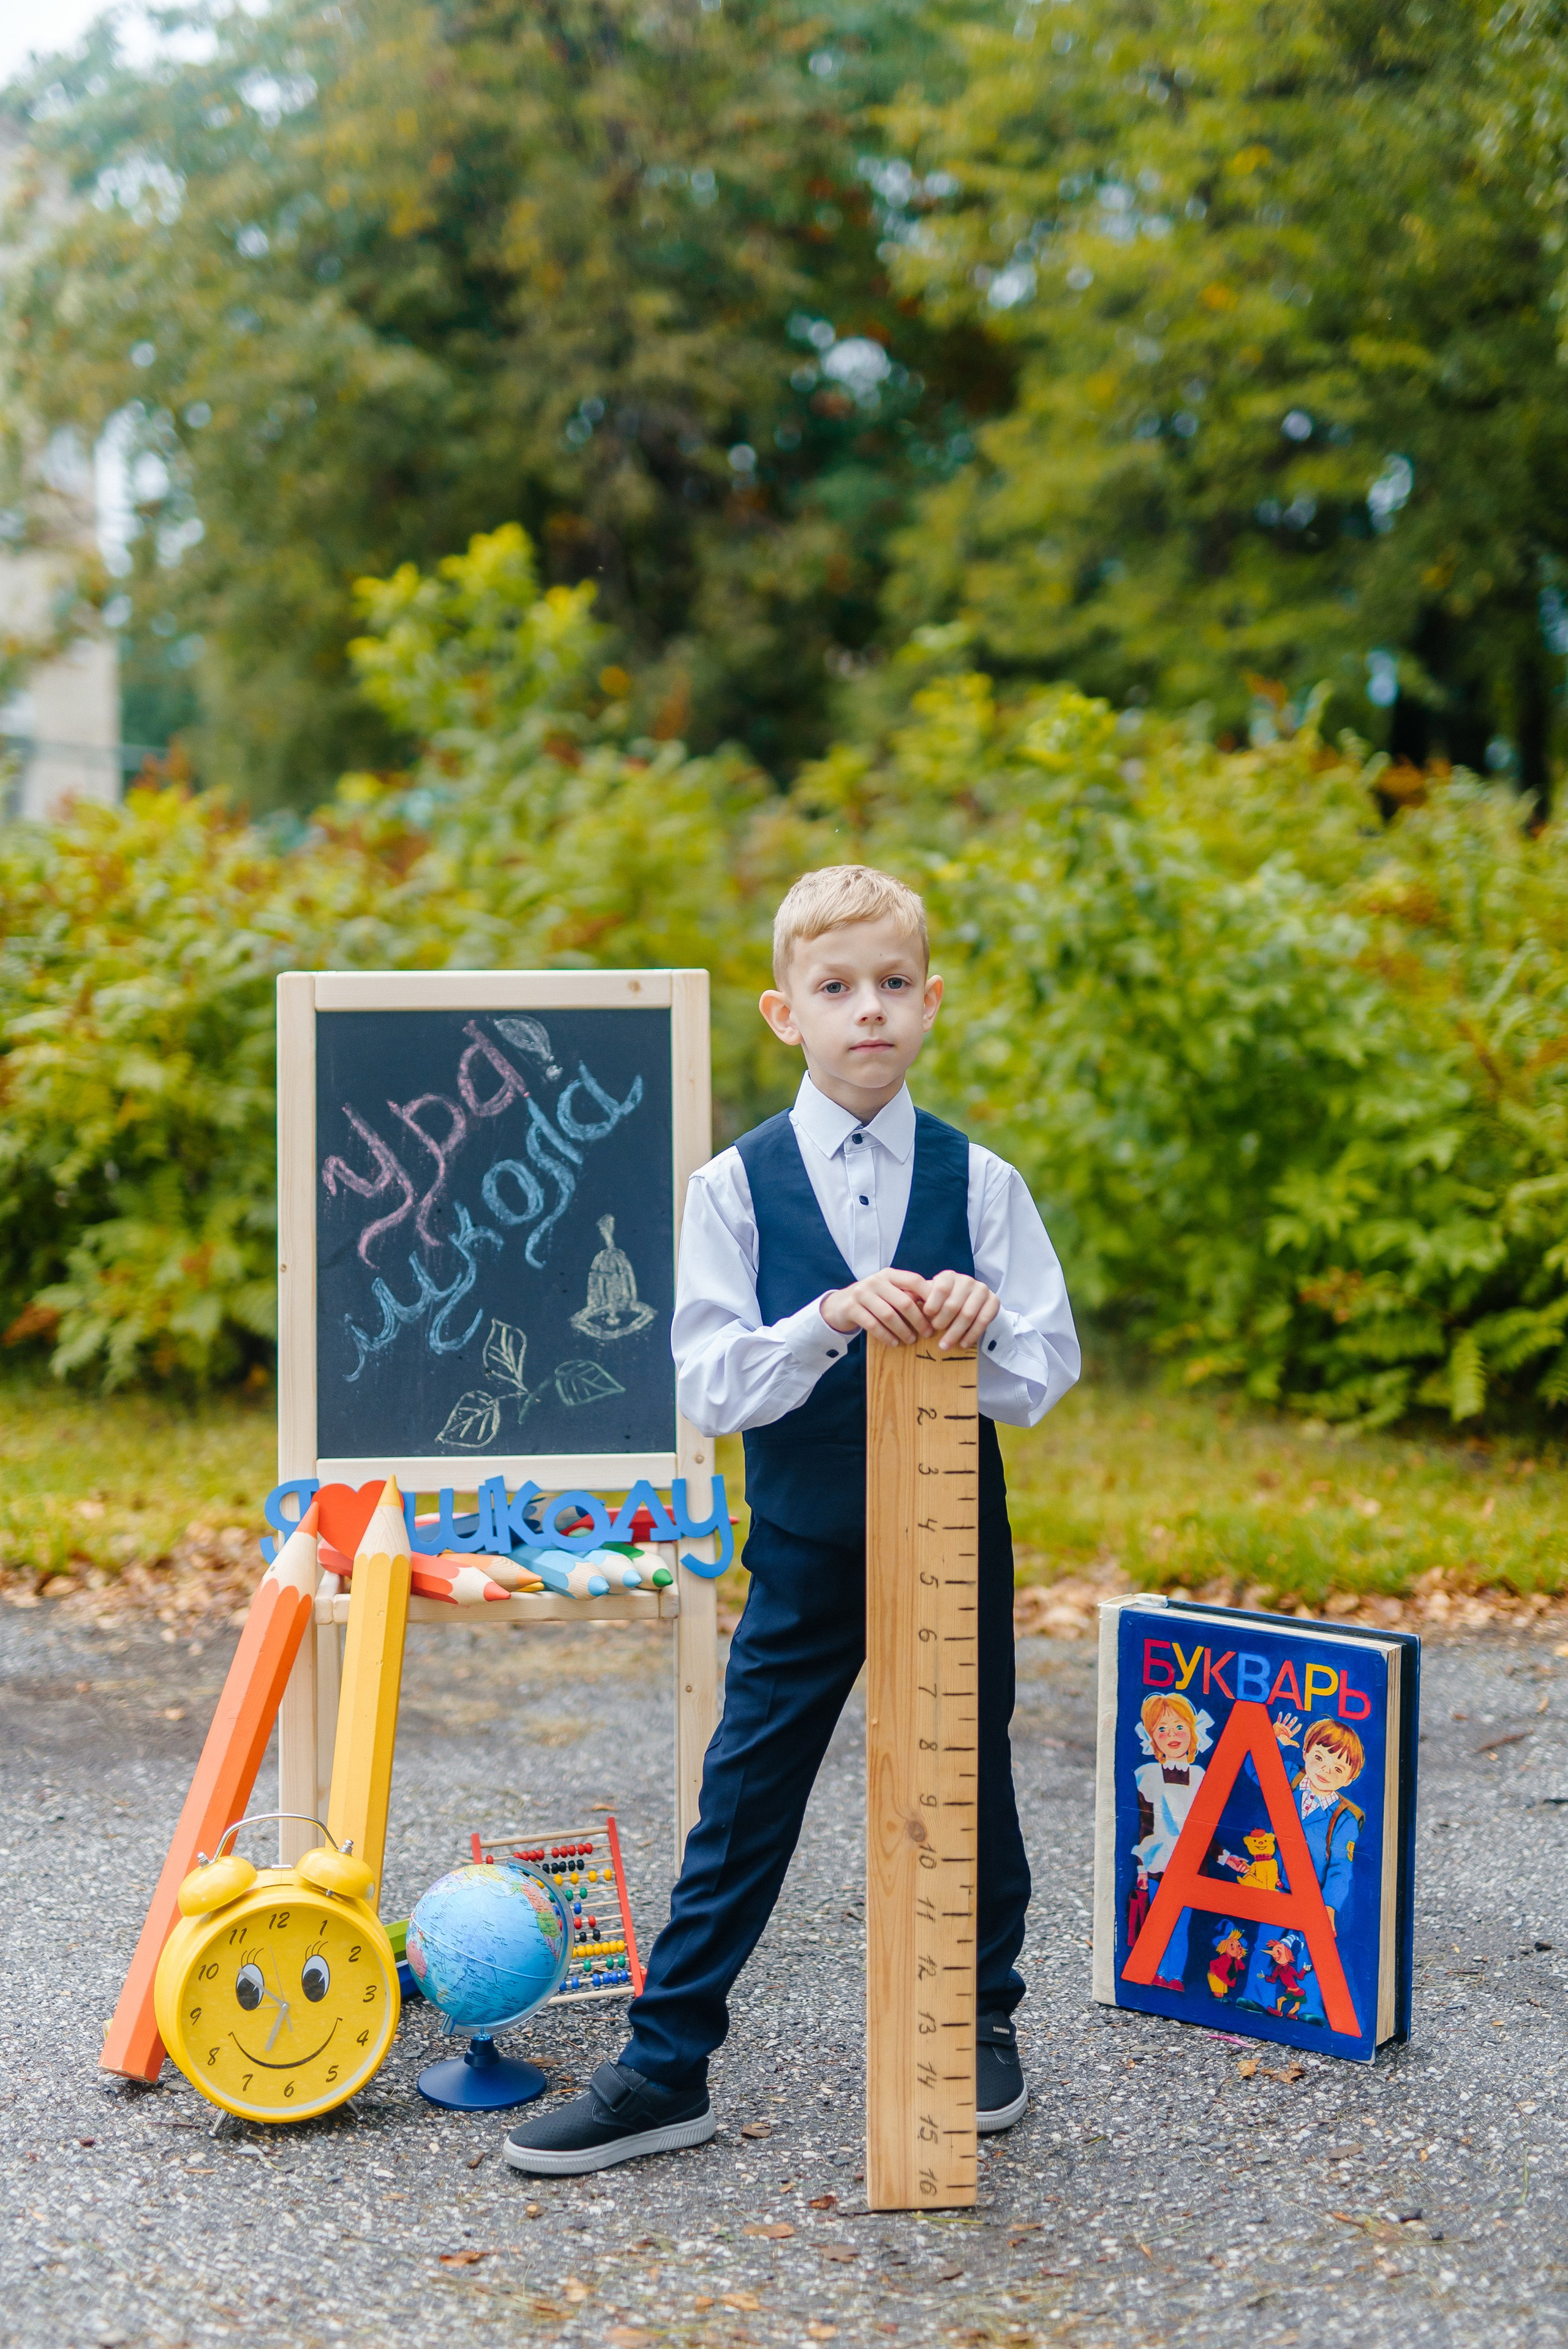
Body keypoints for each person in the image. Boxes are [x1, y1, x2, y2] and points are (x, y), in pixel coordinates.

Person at [503, 862, 1080, 2174]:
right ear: (784, 1014)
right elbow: (706, 1381)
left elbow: (1046, 1368)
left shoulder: (980, 1182)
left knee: (972, 1771)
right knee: (745, 1787)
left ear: (928, 1003)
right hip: (807, 1540)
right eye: (835, 989)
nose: (865, 1011)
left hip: (949, 1530)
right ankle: (665, 2066)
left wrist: (978, 1330)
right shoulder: (732, 1186)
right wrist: (823, 1320)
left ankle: (979, 2018)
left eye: (890, 986)